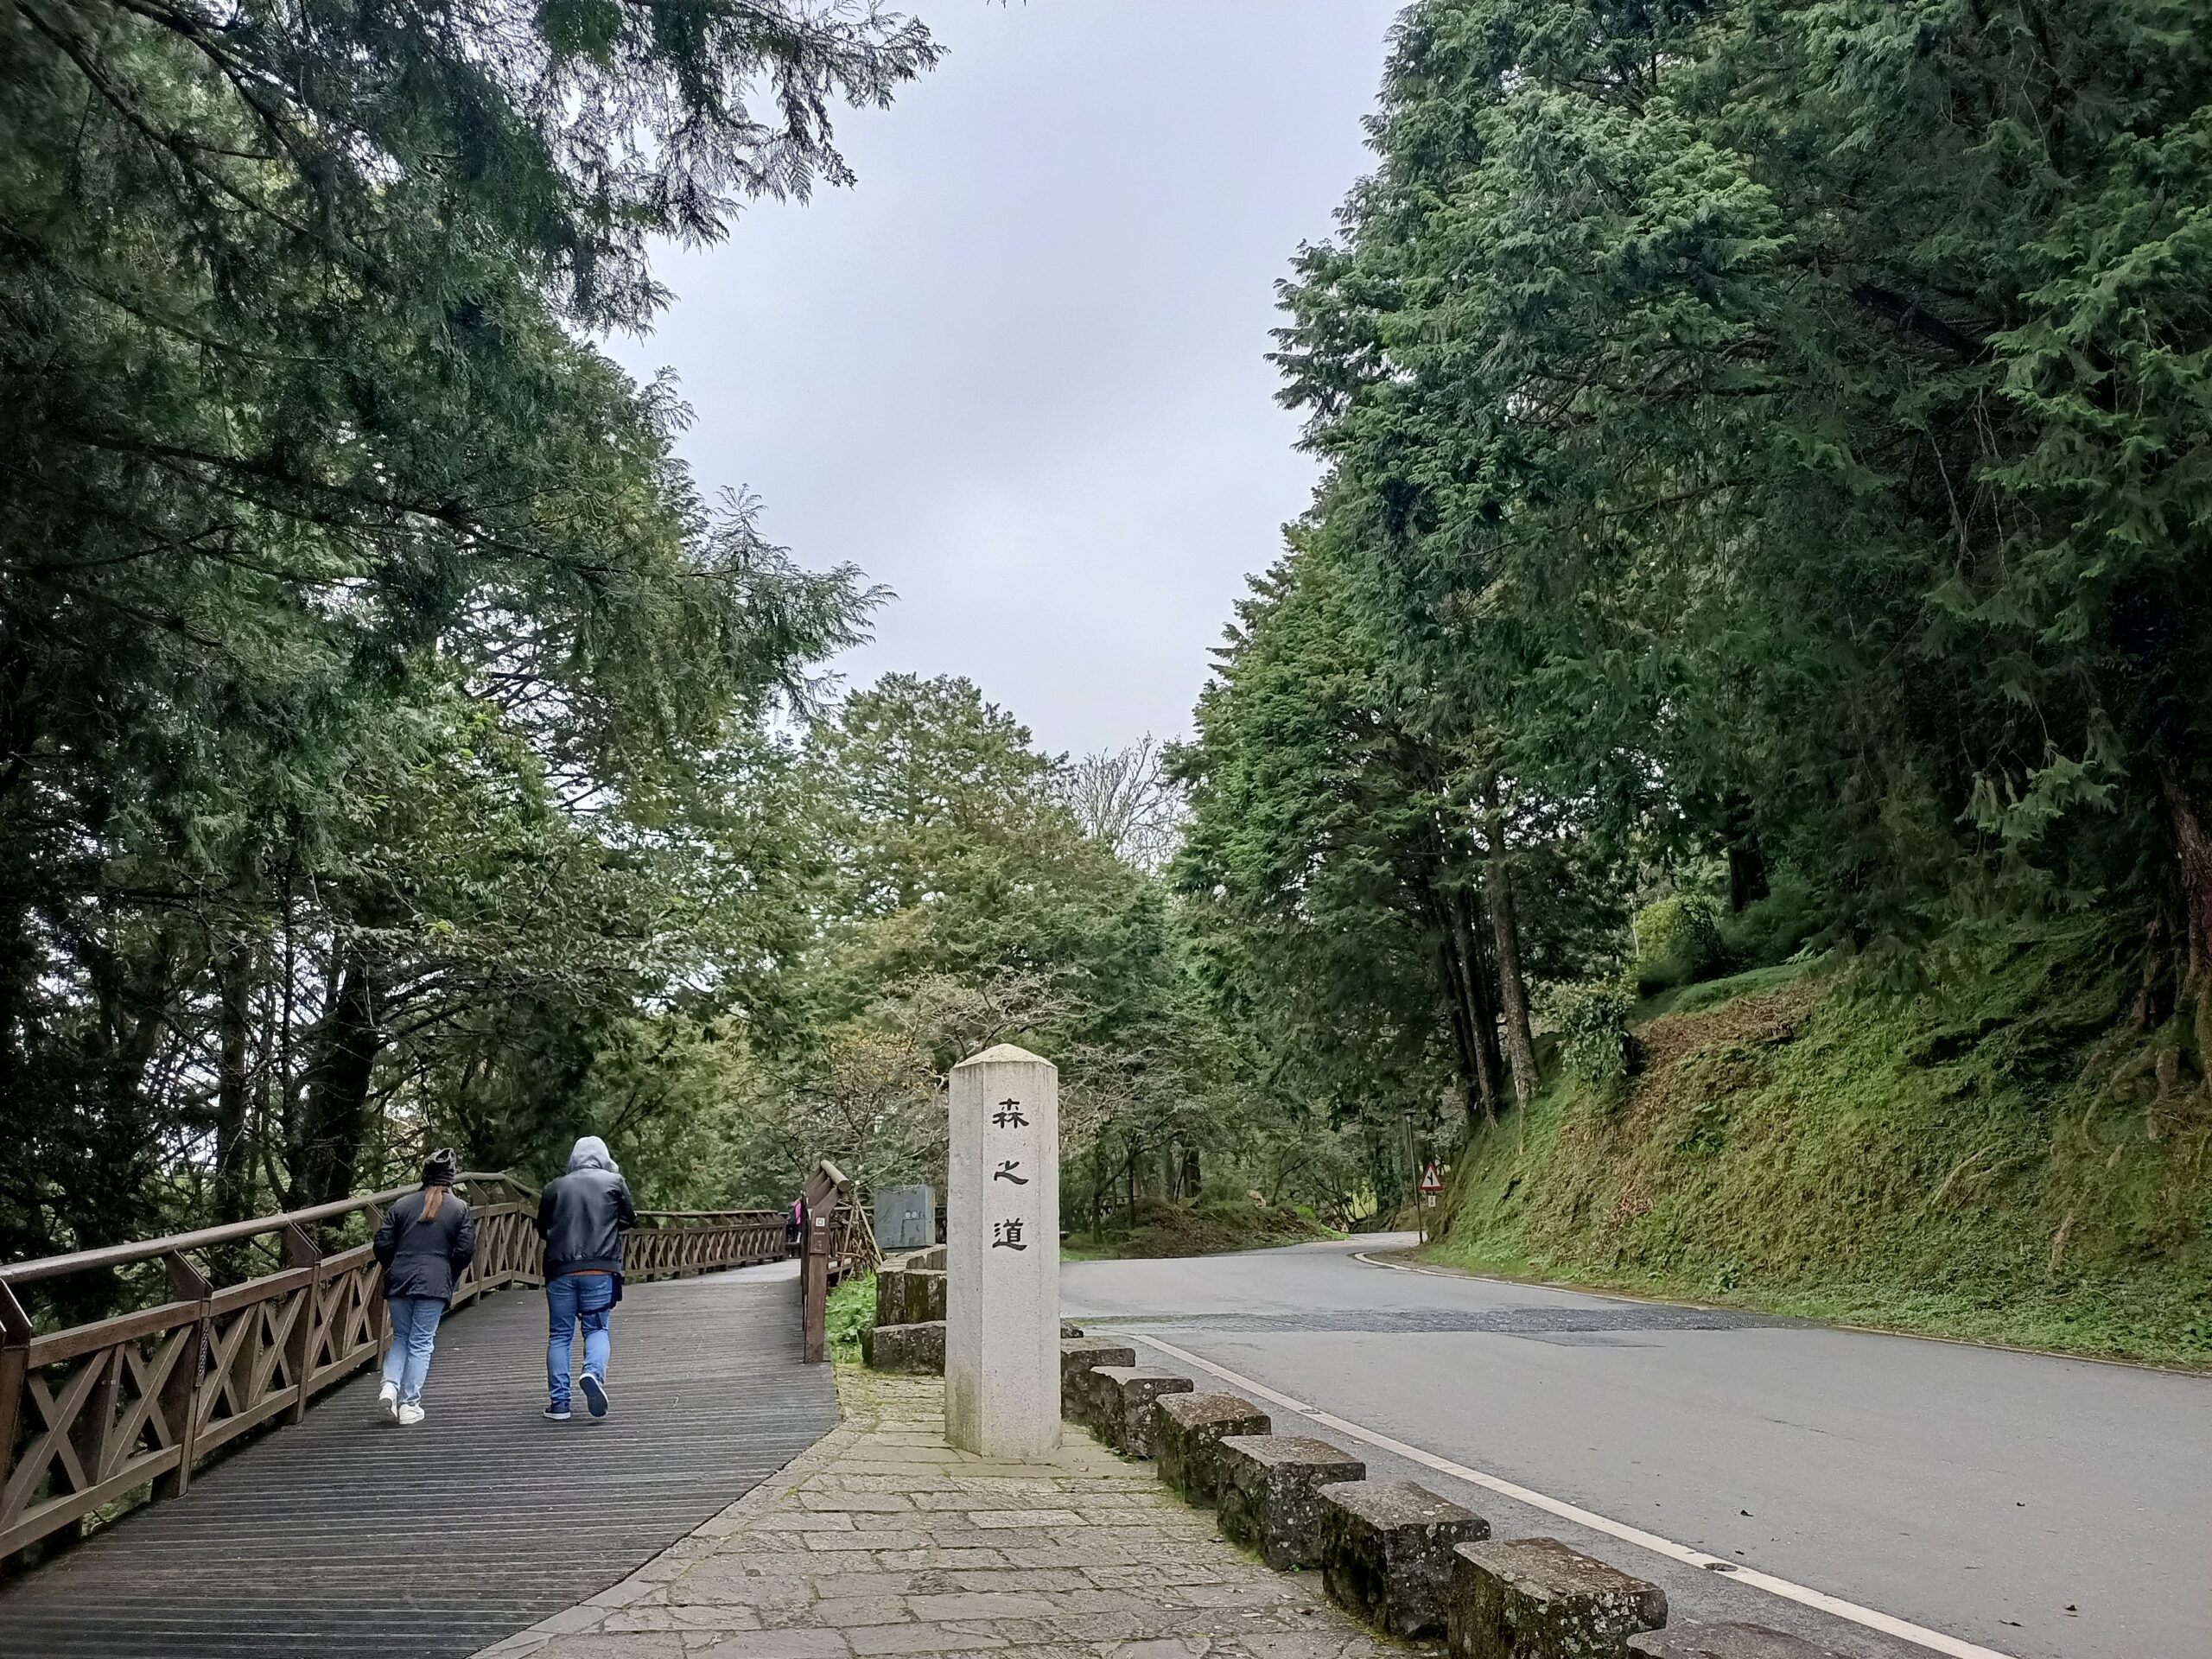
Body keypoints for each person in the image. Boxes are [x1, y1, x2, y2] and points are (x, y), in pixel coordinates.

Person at [372, 1148, 476, 1426]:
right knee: (421, 1342)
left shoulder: (401, 1205)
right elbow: (465, 1251)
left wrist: (395, 1267)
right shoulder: (460, 1208)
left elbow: (381, 1244)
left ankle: (389, 1385)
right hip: (434, 1282)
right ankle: (409, 1405)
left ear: (424, 1175)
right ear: (451, 1178)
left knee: (402, 1337)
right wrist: (446, 1273)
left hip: (399, 1280)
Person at [537, 1135, 635, 1421]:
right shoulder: (613, 1182)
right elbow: (629, 1219)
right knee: (597, 1329)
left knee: (560, 1335)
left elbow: (543, 1228)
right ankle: (592, 1372)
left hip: (560, 1270)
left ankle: (559, 1405)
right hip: (600, 1268)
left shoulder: (554, 1187)